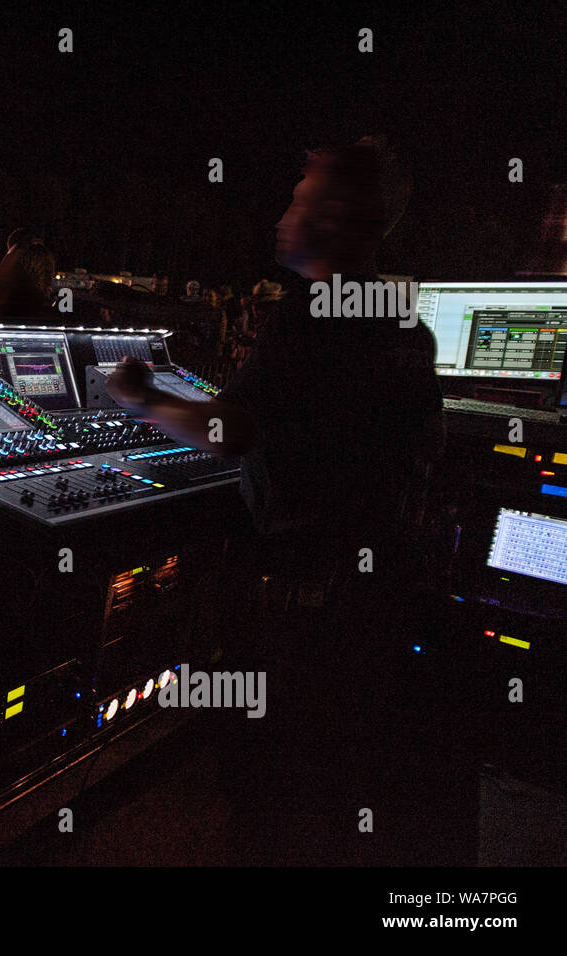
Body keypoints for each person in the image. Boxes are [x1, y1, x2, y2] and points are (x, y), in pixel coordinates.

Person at [107, 137, 462, 864]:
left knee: (267, 801)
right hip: (369, 615)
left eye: (297, 202)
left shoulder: (309, 320)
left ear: (331, 219)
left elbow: (230, 430)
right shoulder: (407, 328)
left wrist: (141, 397)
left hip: (297, 621)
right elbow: (425, 445)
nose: (280, 217)